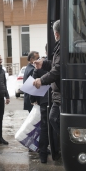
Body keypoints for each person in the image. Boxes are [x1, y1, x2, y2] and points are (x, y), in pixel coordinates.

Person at [33, 20, 62, 162]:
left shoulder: (62, 46)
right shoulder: (60, 47)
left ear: (56, 34)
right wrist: (44, 63)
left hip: (61, 94)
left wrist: (41, 80)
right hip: (57, 95)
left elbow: (57, 70)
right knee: (53, 119)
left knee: (53, 118)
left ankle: (67, 144)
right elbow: (56, 65)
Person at [30, 45, 51, 163]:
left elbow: (33, 83)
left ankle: (43, 155)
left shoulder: (40, 64)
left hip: (44, 100)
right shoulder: (57, 62)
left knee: (44, 128)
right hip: (57, 99)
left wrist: (33, 99)